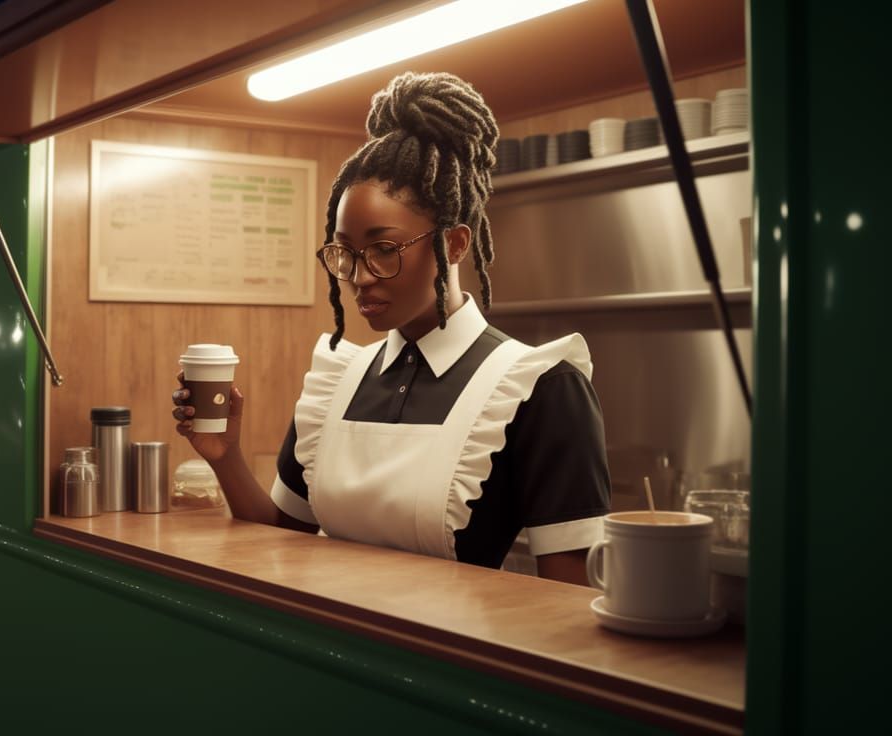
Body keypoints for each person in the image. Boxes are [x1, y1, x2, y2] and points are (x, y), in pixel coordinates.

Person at [171, 72, 610, 585]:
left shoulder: (540, 387)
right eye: (346, 253)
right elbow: (281, 540)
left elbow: (567, 602)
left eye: (384, 250)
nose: (358, 277)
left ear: (454, 245)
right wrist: (226, 458)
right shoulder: (340, 379)